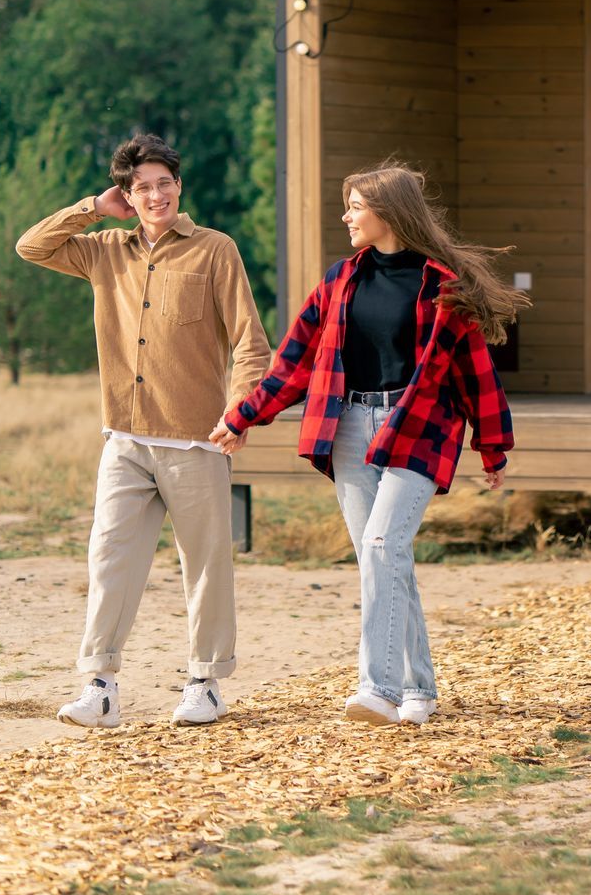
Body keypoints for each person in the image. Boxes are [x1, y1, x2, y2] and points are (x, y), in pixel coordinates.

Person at [211, 163, 521, 726]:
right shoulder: (340, 280)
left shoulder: (440, 285)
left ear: (387, 211)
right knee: (384, 558)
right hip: (349, 425)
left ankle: (376, 688)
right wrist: (244, 417)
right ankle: (419, 689)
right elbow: (295, 362)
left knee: (382, 547)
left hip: (418, 424)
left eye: (355, 205)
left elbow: (477, 370)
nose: (346, 215)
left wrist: (492, 445)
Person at [16, 133, 271, 728]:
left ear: (178, 186)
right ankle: (101, 686)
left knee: (204, 564)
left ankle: (204, 683)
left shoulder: (215, 250)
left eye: (164, 183)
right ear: (127, 194)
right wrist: (90, 208)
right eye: (141, 187)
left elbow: (250, 343)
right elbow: (31, 246)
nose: (155, 195)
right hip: (125, 439)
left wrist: (240, 413)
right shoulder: (104, 250)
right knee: (109, 556)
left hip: (196, 440)